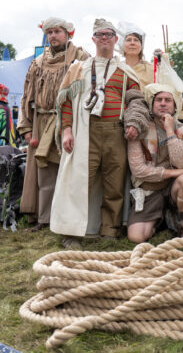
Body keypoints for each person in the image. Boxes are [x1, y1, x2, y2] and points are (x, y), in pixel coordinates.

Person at [50, 18, 150, 247]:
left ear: (116, 40)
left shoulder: (126, 72)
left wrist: (134, 122)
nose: (104, 38)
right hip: (86, 132)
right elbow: (65, 102)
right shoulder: (78, 68)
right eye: (100, 35)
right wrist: (66, 130)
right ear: (93, 39)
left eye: (109, 35)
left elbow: (136, 101)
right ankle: (72, 232)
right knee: (79, 181)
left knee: (114, 183)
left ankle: (110, 230)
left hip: (116, 132)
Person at [17, 17, 89, 231]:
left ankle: (68, 220)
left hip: (70, 121)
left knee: (69, 170)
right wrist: (27, 127)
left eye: (58, 31)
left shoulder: (81, 58)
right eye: (50, 32)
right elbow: (26, 96)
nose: (53, 36)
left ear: (68, 34)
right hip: (41, 121)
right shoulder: (38, 63)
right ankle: (44, 218)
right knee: (44, 172)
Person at [127, 83, 183, 242]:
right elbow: (138, 170)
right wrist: (172, 173)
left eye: (168, 100)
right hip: (150, 191)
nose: (163, 103)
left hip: (176, 188)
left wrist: (169, 130)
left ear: (175, 106)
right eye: (158, 99)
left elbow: (181, 162)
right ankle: (161, 223)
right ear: (152, 104)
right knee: (136, 237)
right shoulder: (141, 129)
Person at [116, 22, 155, 88]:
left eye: (136, 40)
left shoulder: (152, 69)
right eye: (128, 40)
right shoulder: (117, 68)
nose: (132, 43)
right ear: (123, 45)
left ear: (141, 45)